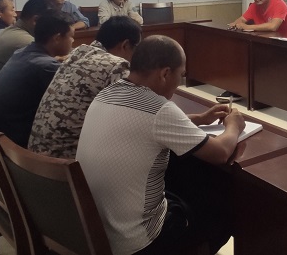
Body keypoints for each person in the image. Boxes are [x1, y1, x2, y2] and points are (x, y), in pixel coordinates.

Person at [76, 35, 245, 255]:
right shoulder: (160, 109)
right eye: (180, 75)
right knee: (227, 209)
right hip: (138, 241)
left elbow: (146, 124)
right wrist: (234, 126)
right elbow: (220, 153)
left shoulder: (107, 93)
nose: (179, 82)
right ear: (165, 74)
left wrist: (200, 119)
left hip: (98, 228)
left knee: (183, 174)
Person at [29, 16, 142, 159]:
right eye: (137, 48)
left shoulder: (77, 53)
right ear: (125, 45)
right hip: (66, 163)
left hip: (36, 158)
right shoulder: (116, 65)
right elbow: (137, 113)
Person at [0, 13, 74, 147]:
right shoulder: (47, 67)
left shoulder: (21, 52)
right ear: (57, 38)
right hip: (16, 142)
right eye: (71, 36)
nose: (72, 41)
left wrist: (56, 60)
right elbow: (71, 97)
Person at [0, 0, 51, 108]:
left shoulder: (10, 30)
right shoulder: (25, 41)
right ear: (35, 20)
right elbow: (51, 67)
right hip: (1, 109)